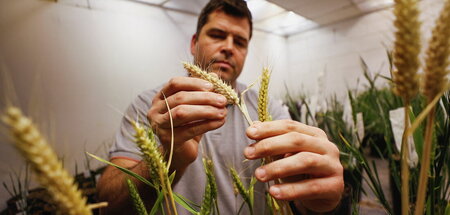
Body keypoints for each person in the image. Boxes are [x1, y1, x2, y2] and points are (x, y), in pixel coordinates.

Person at [97, 0, 344, 214]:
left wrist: (318, 195)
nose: (228, 47)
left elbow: (296, 195)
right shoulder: (152, 106)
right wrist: (168, 158)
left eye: (240, 41)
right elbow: (109, 205)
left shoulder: (269, 109)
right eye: (217, 35)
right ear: (194, 43)